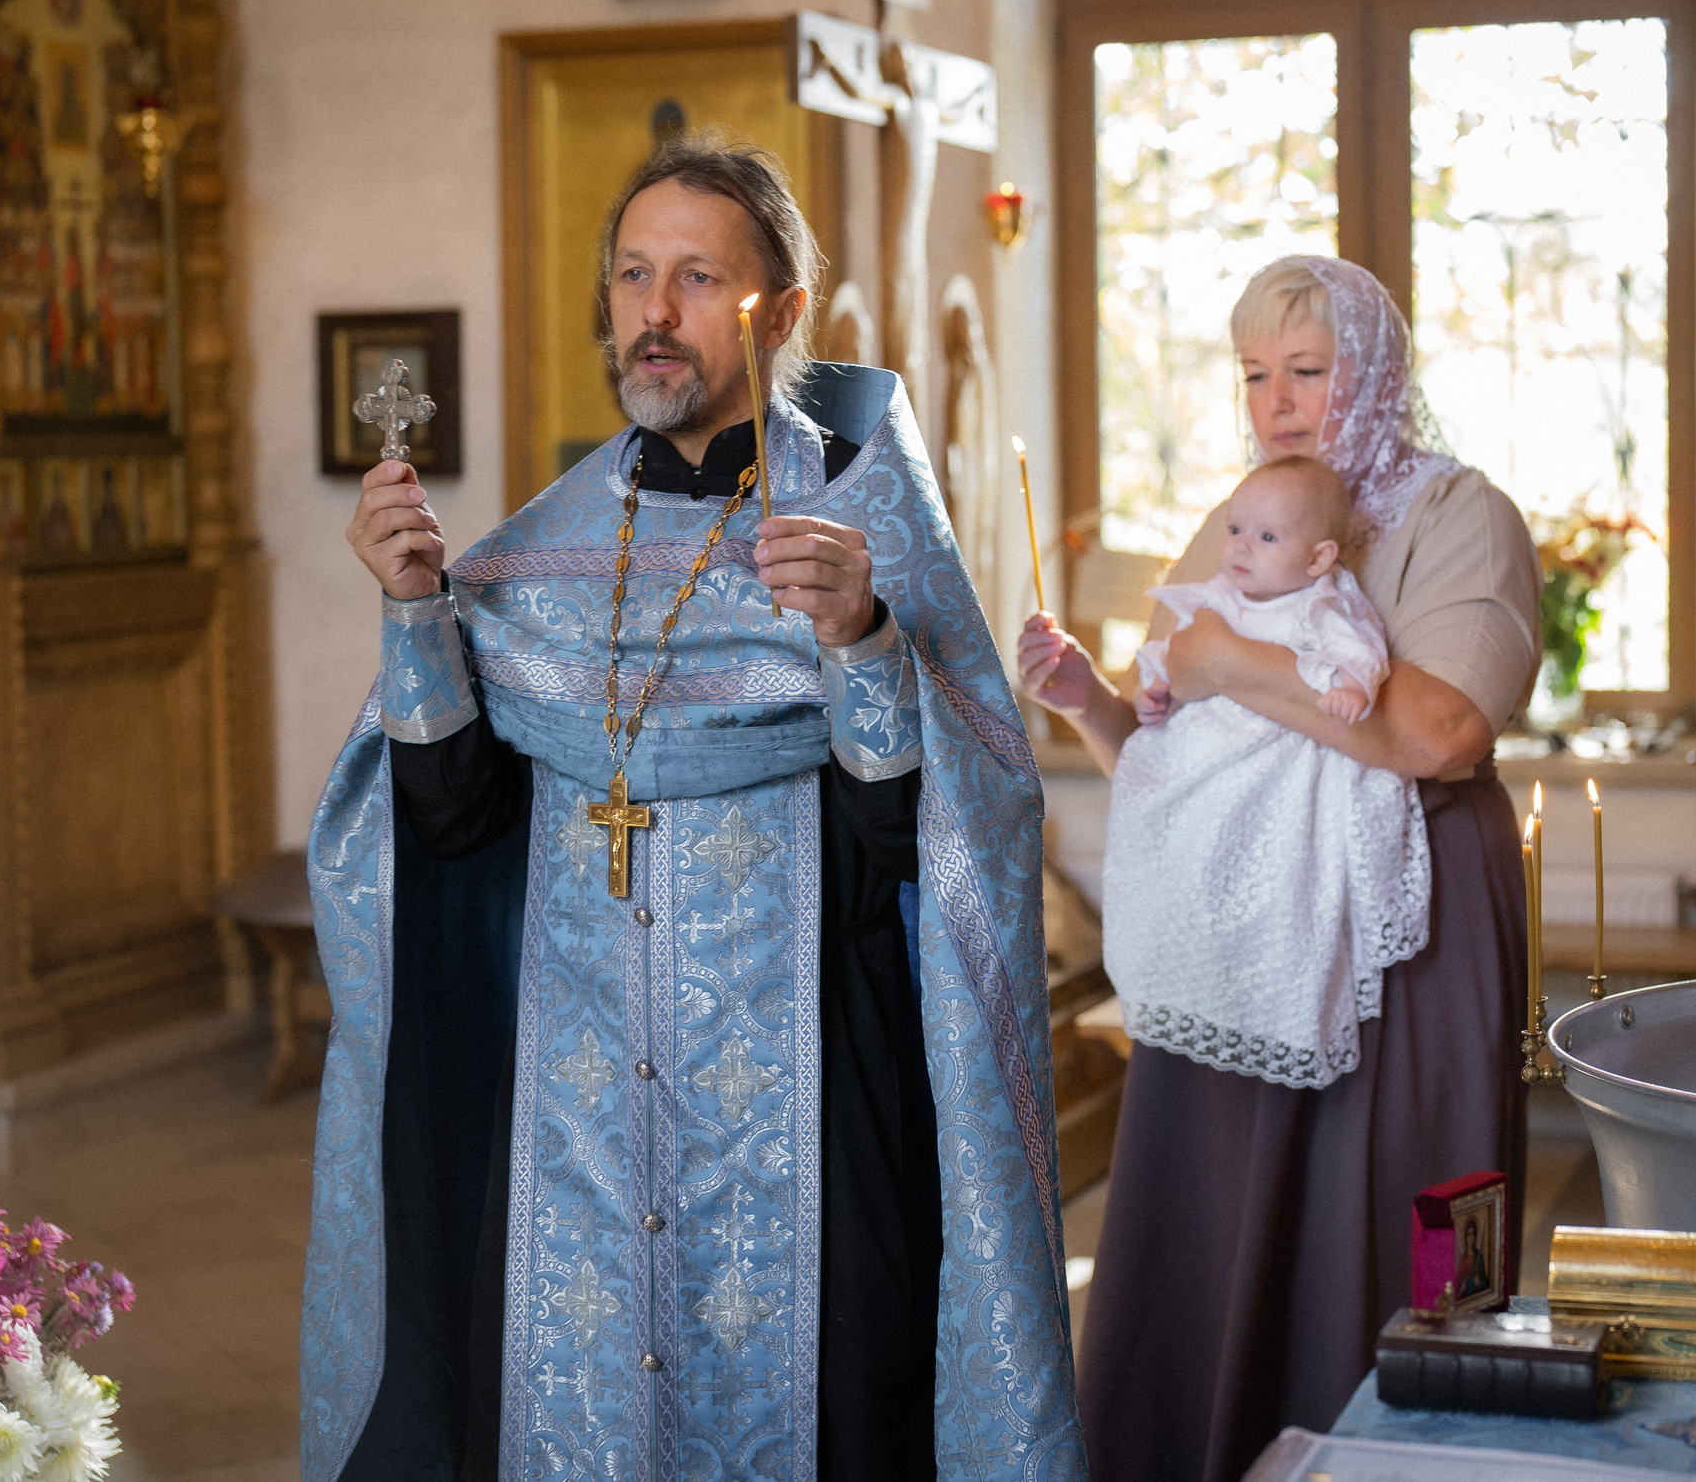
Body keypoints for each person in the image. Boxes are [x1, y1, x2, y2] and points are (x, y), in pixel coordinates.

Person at [306, 133, 1082, 1481]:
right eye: (631, 274)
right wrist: (417, 608)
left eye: (696, 277)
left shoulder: (863, 524)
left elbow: (942, 837)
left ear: (781, 312)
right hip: (573, 1113)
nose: (653, 313)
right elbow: (449, 827)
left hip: (814, 1097)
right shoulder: (538, 548)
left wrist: (862, 643)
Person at [1021, 255, 1539, 1482]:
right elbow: (1171, 758)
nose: (1277, 400)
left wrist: (1226, 664)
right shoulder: (1243, 518)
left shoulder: (1460, 512)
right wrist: (1091, 699)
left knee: (1378, 1213)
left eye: (1308, 370)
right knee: (1207, 1223)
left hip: (1401, 930)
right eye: (1255, 374)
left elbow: (1438, 733)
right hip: (1231, 928)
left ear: (1378, 374)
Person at [1106, 453, 1427, 1094]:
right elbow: (1168, 655)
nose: (1240, 548)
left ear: (1318, 558)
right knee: (1176, 837)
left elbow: (1361, 653)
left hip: (1278, 768)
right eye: (1234, 529)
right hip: (1204, 765)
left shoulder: (1324, 605)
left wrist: (1351, 688)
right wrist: (1155, 689)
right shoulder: (1218, 598)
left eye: (1267, 537)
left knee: (1274, 870)